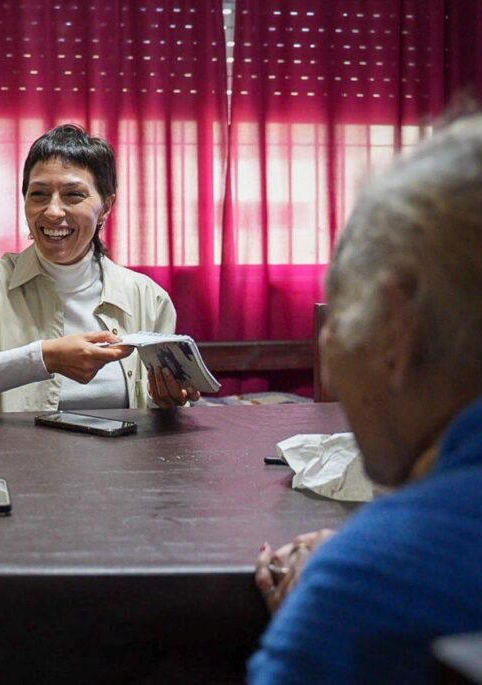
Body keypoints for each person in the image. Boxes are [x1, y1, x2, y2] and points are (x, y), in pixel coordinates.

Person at [247, 114, 482, 683]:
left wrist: (360, 568)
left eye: (337, 315)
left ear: (397, 328)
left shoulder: (364, 591)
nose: (329, 353)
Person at [0, 124, 198, 414]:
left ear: (106, 207)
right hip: (10, 447)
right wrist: (43, 358)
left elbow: (157, 415)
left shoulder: (148, 298)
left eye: (73, 195)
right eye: (39, 194)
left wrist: (165, 403)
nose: (53, 211)